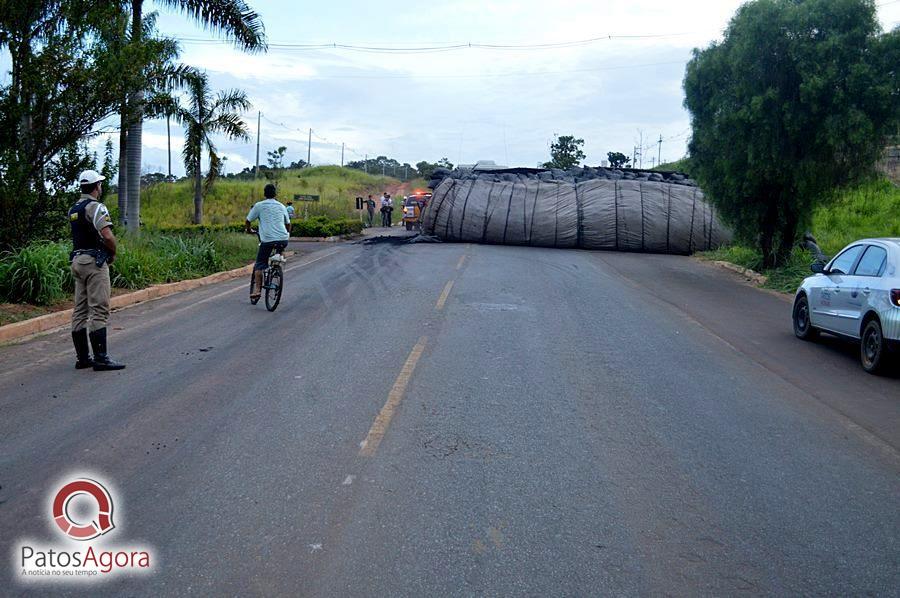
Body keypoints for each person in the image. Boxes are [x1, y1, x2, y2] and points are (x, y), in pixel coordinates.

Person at [68, 169, 125, 371]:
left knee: (80, 310)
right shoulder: (95, 207)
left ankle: (83, 358)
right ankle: (101, 358)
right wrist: (113, 252)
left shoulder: (74, 208)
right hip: (94, 263)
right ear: (96, 187)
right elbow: (107, 236)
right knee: (99, 308)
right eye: (99, 184)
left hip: (77, 261)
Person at [245, 183, 291, 301]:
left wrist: (249, 230)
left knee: (260, 264)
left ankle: (257, 290)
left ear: (264, 194)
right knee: (278, 252)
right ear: (275, 194)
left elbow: (248, 220)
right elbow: (288, 224)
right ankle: (276, 268)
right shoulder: (282, 206)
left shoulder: (259, 206)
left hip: (267, 241)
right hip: (283, 239)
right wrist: (286, 234)